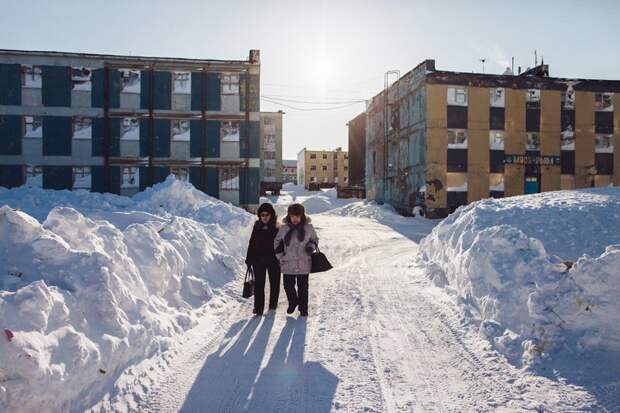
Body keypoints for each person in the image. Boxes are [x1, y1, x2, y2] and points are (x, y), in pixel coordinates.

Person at [274, 203, 318, 317]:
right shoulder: (284, 228)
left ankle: (303, 309)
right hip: (288, 262)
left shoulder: (308, 227)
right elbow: (277, 241)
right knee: (288, 286)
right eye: (293, 216)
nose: (295, 219)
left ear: (302, 216)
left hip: (303, 262)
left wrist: (311, 247)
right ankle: (293, 302)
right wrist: (280, 256)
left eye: (297, 216)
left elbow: (315, 239)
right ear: (289, 216)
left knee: (303, 288)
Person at [245, 203, 281, 316]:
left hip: (274, 260)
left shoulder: (277, 227)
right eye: (262, 215)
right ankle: (258, 308)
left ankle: (273, 304)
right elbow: (252, 243)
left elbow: (282, 244)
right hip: (258, 260)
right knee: (259, 284)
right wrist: (249, 258)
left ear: (271, 215)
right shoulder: (257, 226)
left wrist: (281, 256)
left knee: (274, 283)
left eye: (267, 214)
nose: (264, 217)